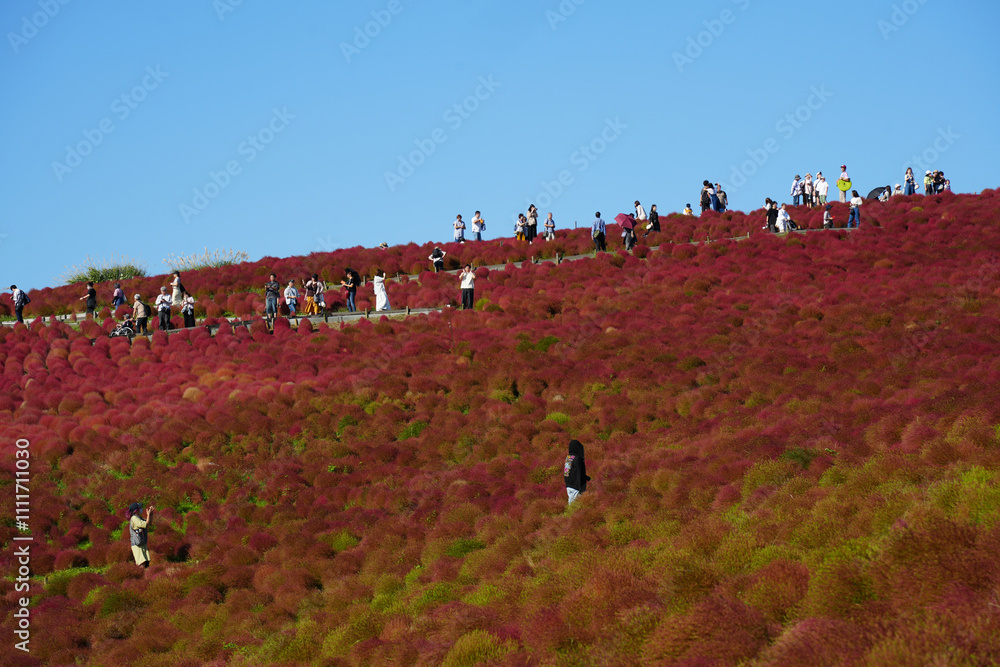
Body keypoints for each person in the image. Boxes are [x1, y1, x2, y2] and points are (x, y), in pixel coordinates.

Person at [126, 502, 154, 569]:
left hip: (141, 543)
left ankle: (144, 577)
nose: (141, 509)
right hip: (137, 544)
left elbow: (149, 523)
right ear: (136, 510)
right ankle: (141, 577)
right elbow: (146, 524)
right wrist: (148, 515)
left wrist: (150, 514)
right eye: (140, 508)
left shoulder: (138, 518)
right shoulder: (134, 518)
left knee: (145, 562)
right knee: (141, 563)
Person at [563, 439, 591, 505]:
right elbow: (579, 473)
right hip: (576, 486)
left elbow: (568, 472)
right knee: (577, 505)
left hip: (569, 485)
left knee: (571, 503)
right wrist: (581, 488)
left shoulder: (568, 457)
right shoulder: (577, 458)